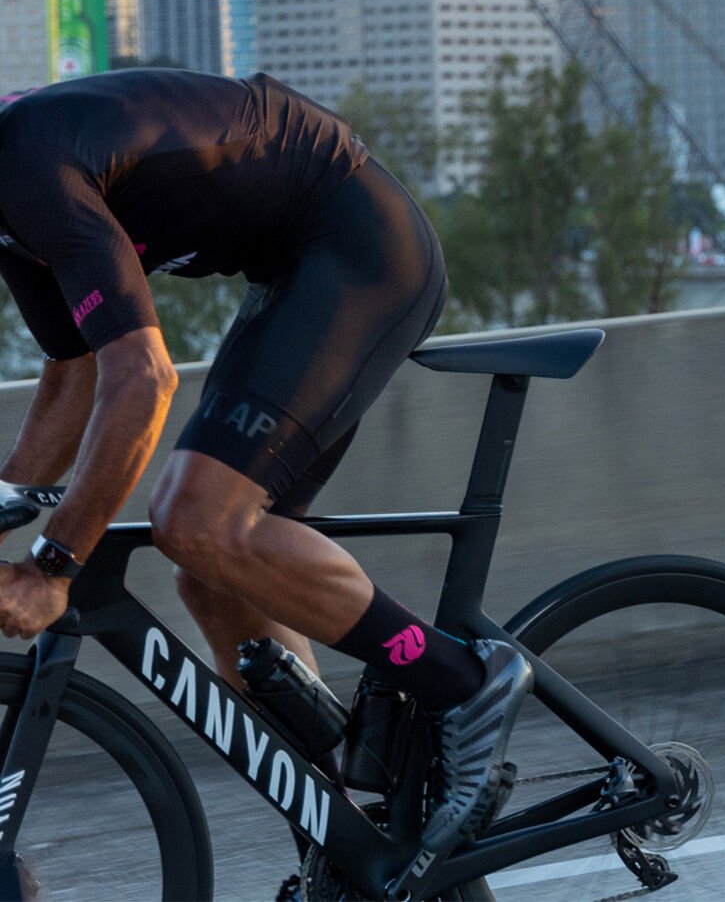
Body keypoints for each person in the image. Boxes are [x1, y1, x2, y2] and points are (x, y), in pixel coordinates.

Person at [0, 68, 529, 858]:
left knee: (198, 519)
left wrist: (53, 564)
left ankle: (462, 682)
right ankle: (341, 841)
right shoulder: (10, 211)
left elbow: (142, 379)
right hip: (293, 271)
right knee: (211, 575)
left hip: (360, 248)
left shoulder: (24, 169)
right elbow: (73, 373)